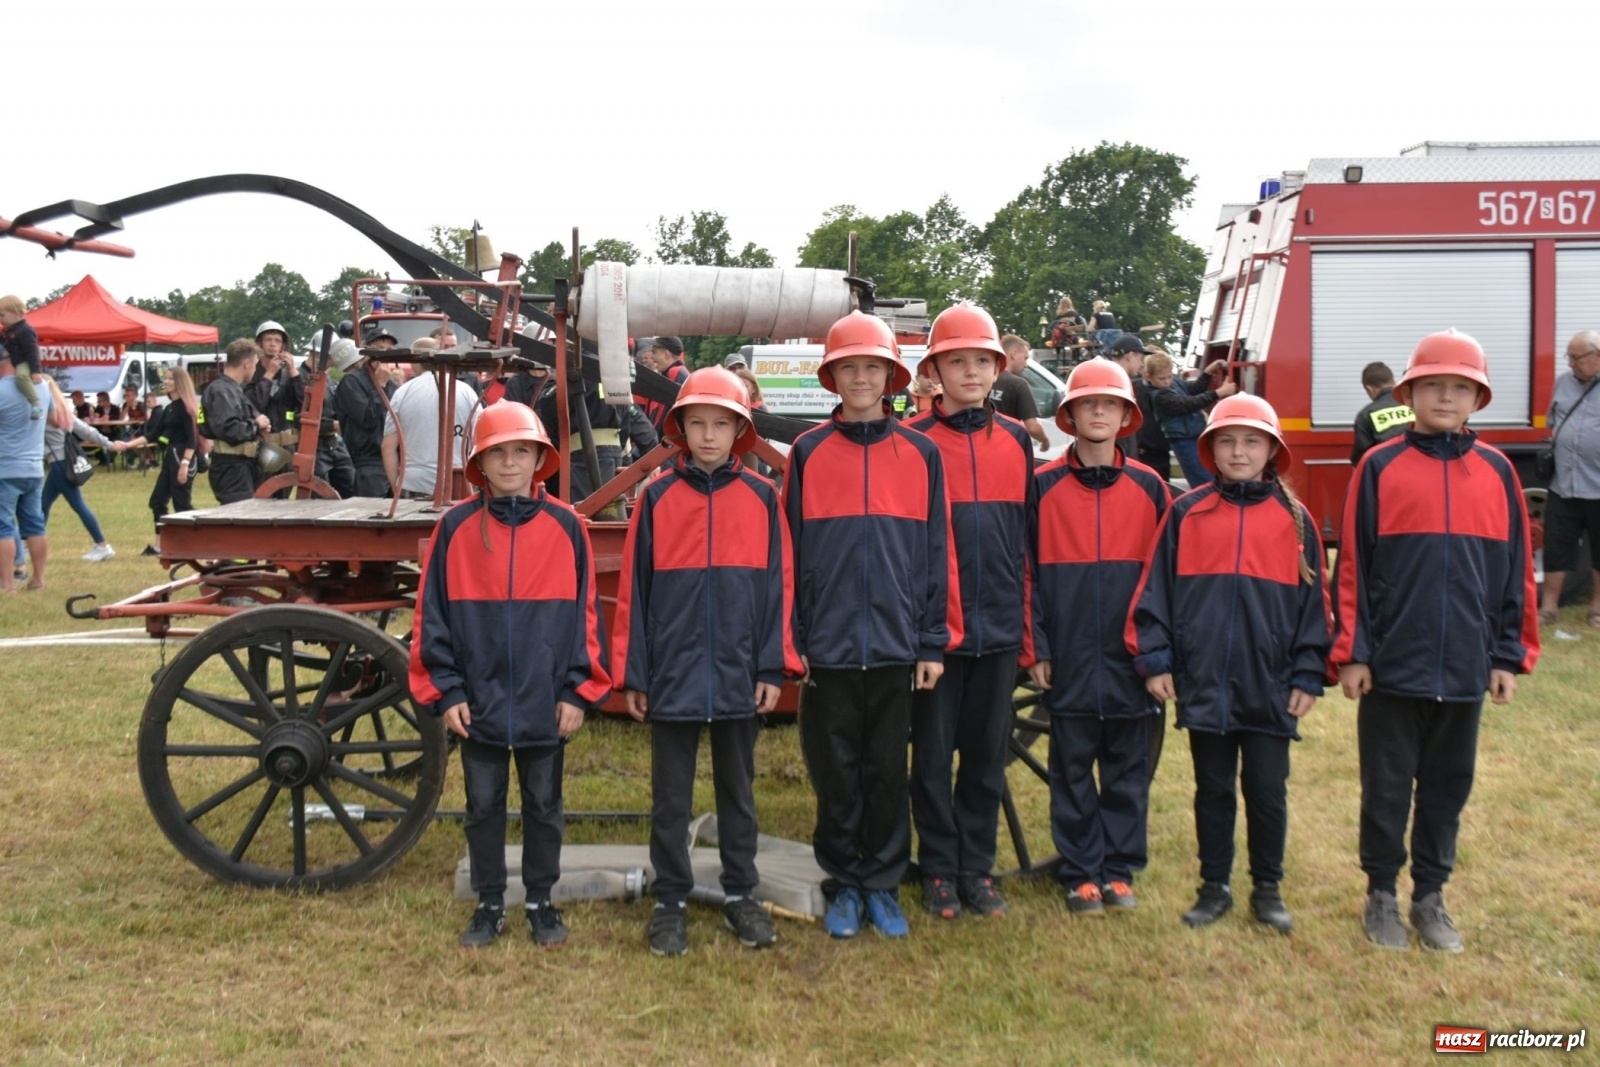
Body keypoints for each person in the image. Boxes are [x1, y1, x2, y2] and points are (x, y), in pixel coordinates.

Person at [1333, 330, 1539, 954]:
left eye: (1459, 387)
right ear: (1411, 393)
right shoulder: (1379, 465)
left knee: (1448, 786)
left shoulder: (1498, 472)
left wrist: (1507, 653)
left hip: (1465, 664)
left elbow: (1513, 570)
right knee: (1388, 785)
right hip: (1393, 662)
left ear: (1476, 398)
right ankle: (1381, 895)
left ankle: (1430, 896)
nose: (1445, 396)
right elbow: (1355, 569)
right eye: (1434, 385)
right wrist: (1354, 652)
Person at [613, 367, 801, 956]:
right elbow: (634, 593)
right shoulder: (657, 496)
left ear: (740, 429)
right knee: (671, 797)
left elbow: (779, 588)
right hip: (672, 671)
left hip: (741, 672)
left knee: (736, 792)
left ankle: (741, 894)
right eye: (699, 424)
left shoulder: (763, 498)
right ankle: (670, 899)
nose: (711, 436)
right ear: (682, 429)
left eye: (722, 424)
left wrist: (772, 667)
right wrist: (635, 675)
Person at [409, 401, 611, 948]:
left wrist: (578, 689)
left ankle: (541, 901)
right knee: (483, 807)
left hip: (547, 702)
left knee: (545, 806)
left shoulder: (567, 526)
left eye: (521, 451)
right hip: (480, 702)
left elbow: (585, 617)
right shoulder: (454, 528)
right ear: (480, 462)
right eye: (497, 452)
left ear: (539, 458)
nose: (509, 462)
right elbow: (434, 615)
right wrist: (446, 690)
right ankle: (491, 901)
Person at [783, 311, 958, 940]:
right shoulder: (806, 453)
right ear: (833, 377)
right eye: (849, 367)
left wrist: (930, 640)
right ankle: (843, 882)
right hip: (827, 647)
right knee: (834, 768)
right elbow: (791, 554)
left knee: (886, 769)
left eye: (872, 367)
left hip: (894, 644)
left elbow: (937, 551)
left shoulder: (921, 453)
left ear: (891, 375)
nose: (861, 377)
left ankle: (882, 883)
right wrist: (793, 639)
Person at [1129, 393, 1332, 934]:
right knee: (1213, 789)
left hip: (1270, 684)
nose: (1239, 451)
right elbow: (1157, 594)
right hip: (1205, 681)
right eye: (1227, 440)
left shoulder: (1295, 521)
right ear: (1210, 448)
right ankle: (1213, 886)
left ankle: (1267, 889)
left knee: (1267, 790)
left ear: (1271, 450)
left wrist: (1310, 672)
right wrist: (1157, 658)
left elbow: (1314, 607)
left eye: (1251, 441)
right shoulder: (1186, 513)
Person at [904, 303, 1036, 921]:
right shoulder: (914, 443)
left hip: (1001, 625)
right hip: (941, 631)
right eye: (958, 361)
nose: (972, 371)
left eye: (982, 361)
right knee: (932, 758)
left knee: (985, 756)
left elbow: (1025, 539)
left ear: (998, 367)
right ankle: (937, 869)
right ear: (936, 370)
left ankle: (976, 870)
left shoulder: (1014, 441)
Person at [1033, 360, 1170, 915]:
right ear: (1069, 415)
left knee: (1126, 772)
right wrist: (1037, 647)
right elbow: (1026, 576)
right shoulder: (1041, 489)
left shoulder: (1151, 488)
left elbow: (1166, 577)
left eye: (1109, 404)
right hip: (1067, 657)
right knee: (1070, 769)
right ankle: (1080, 870)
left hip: (1128, 658)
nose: (1097, 412)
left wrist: (1157, 652)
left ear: (1125, 416)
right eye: (1087, 403)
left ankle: (1118, 868)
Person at [1538, 330, 1600, 627]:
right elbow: (1554, 421)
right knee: (1556, 548)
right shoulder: (1563, 383)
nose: (1570, 363)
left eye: (1576, 357)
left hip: (1598, 487)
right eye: (1569, 357)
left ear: (1597, 356)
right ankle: (1548, 609)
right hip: (1563, 485)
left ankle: (1597, 609)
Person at [120, 367, 201, 554]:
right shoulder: (169, 408)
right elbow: (153, 434)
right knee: (157, 501)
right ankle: (160, 546)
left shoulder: (185, 408)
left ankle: (197, 541)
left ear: (179, 382)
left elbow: (192, 439)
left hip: (183, 458)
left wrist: (185, 464)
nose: (166, 381)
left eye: (170, 379)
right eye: (166, 378)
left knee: (183, 506)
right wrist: (127, 445)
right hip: (171, 458)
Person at [38, 376, 117, 561]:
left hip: (59, 464)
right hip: (62, 462)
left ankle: (102, 545)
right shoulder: (62, 409)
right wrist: (108, 443)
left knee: (78, 505)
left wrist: (109, 444)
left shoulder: (44, 412)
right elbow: (85, 430)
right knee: (43, 504)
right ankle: (28, 542)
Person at [382, 360, 479, 500]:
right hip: (458, 483)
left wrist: (396, 488)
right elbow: (479, 439)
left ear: (416, 363)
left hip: (415, 483)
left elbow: (387, 447)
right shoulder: (466, 391)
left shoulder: (403, 391)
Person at [1145, 351, 1237, 488]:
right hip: (1183, 442)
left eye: (1169, 376)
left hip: (1198, 435)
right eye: (1161, 378)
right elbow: (1189, 403)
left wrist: (1207, 372)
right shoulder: (1159, 397)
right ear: (1149, 377)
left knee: (1215, 477)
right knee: (1204, 483)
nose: (1167, 382)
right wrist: (1220, 392)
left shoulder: (1174, 382)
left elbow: (1194, 389)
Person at [0, 356, 53, 592]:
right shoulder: (42, 387)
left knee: (3, 527)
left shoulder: (1, 389)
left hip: (5, 467)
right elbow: (52, 419)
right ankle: (38, 579)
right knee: (35, 526)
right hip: (33, 468)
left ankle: (7, 583)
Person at [198, 339, 271, 505]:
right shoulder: (221, 391)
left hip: (241, 466)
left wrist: (260, 426)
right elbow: (230, 430)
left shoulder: (232, 389)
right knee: (240, 523)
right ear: (246, 363)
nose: (255, 369)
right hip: (231, 468)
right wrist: (256, 425)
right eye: (255, 364)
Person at [335, 333, 400, 497]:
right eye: (379, 349)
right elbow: (367, 419)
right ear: (366, 350)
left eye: (389, 350)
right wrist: (380, 385)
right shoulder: (351, 381)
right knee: (370, 514)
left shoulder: (392, 386)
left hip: (393, 460)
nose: (384, 354)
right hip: (368, 463)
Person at [1351, 362, 1413, 464]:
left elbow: (1361, 458)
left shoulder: (1366, 415)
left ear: (1369, 389)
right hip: (1417, 467)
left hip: (1385, 471)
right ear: (1395, 382)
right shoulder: (1412, 405)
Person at [996, 334, 1049, 450]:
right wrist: (1044, 440)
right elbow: (1033, 427)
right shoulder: (1019, 384)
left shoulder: (984, 380)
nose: (1026, 365)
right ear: (1013, 354)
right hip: (1006, 449)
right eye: (1025, 358)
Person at [0, 294, 44, 418]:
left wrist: (35, 371)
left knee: (21, 376)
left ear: (16, 313)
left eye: (2, 315)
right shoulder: (8, 330)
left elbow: (32, 351)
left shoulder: (25, 330)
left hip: (23, 362)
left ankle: (36, 403)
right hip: (15, 361)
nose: (0, 319)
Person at [639, 336, 690, 432]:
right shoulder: (674, 373)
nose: (652, 357)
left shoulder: (676, 372)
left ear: (666, 354)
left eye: (654, 352)